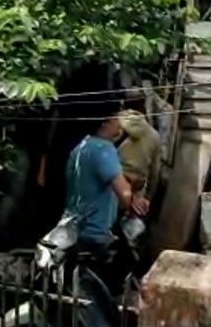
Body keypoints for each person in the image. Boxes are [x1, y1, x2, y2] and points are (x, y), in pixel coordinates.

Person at [65, 108, 150, 325]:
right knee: (119, 281)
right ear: (104, 123)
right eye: (114, 118)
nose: (118, 122)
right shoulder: (104, 150)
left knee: (87, 293)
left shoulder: (79, 148)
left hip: (73, 233)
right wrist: (134, 203)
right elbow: (124, 194)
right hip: (97, 234)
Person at [117, 109, 162, 199]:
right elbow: (155, 172)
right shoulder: (154, 135)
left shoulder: (115, 126)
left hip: (114, 188)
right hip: (137, 191)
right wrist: (147, 198)